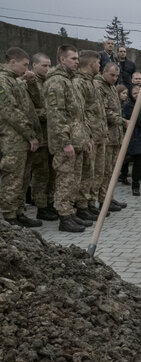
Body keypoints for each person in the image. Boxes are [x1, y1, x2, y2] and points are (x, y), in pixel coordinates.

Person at [44, 45, 92, 232]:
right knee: (65, 180)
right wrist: (65, 142)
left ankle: (70, 213)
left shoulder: (70, 81)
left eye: (77, 58)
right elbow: (56, 115)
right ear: (62, 60)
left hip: (77, 140)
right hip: (66, 143)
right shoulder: (56, 82)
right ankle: (64, 217)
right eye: (72, 58)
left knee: (74, 180)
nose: (77, 62)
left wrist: (85, 137)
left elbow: (78, 115)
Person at [0, 47, 43, 227]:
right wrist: (30, 135)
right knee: (13, 179)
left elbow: (37, 102)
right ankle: (9, 217)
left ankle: (19, 212)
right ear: (12, 62)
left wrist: (31, 83)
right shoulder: (3, 81)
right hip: (13, 140)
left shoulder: (16, 81)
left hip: (24, 139)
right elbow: (10, 112)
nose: (27, 69)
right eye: (24, 65)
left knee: (23, 178)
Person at [72, 50, 106, 222]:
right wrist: (87, 136)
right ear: (91, 63)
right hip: (88, 136)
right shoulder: (79, 83)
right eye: (98, 63)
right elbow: (80, 112)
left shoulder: (91, 82)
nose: (99, 66)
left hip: (98, 135)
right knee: (86, 172)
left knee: (96, 172)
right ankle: (82, 205)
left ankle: (90, 203)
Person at [25, 52, 57, 221]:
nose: (47, 68)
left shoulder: (50, 82)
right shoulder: (29, 83)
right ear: (34, 65)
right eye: (44, 65)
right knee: (41, 173)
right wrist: (51, 114)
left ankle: (50, 203)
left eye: (49, 65)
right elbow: (29, 110)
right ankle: (41, 206)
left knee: (53, 172)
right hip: (39, 136)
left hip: (51, 136)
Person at [96, 62, 128, 211]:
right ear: (104, 72)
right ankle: (103, 200)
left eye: (117, 75)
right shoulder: (99, 86)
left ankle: (109, 197)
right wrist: (123, 122)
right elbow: (106, 112)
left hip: (116, 136)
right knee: (105, 171)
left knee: (112, 171)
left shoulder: (111, 88)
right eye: (112, 75)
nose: (115, 78)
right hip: (106, 136)